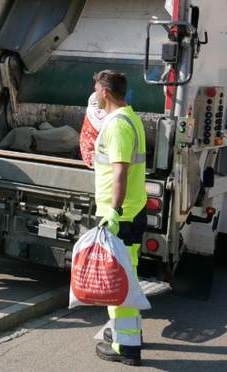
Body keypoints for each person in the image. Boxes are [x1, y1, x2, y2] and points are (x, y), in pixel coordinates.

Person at [90, 70, 148, 366]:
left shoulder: (116, 125)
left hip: (120, 215)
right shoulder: (131, 117)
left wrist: (113, 211)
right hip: (133, 211)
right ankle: (130, 336)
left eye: (96, 89)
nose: (95, 95)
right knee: (128, 277)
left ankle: (125, 349)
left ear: (105, 92)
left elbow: (120, 172)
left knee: (119, 282)